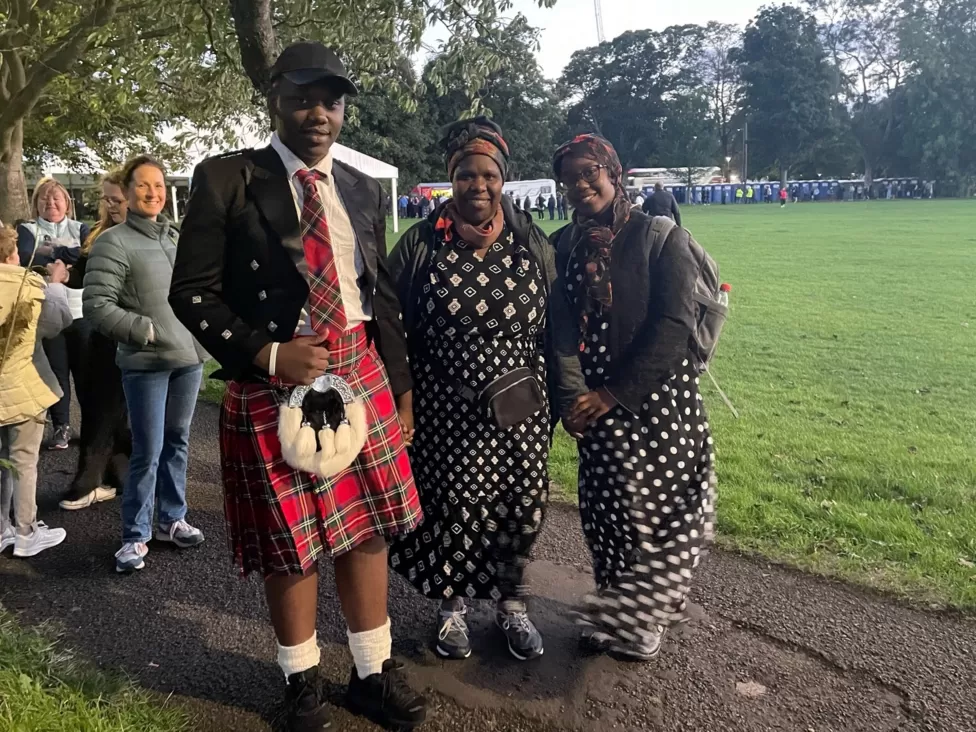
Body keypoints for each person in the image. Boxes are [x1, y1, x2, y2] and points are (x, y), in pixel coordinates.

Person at [169, 42, 426, 732]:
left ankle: (371, 673)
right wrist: (268, 353)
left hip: (360, 369)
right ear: (275, 99)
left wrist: (401, 387)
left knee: (368, 530)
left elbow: (380, 297)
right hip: (276, 377)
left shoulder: (361, 187)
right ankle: (301, 684)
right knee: (292, 540)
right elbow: (190, 292)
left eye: (331, 102)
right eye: (303, 98)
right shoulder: (227, 178)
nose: (319, 114)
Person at [387, 118, 555, 663]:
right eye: (465, 175)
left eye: (488, 175)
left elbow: (557, 324)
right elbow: (390, 326)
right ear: (451, 179)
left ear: (503, 179)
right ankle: (452, 607)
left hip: (520, 409)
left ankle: (512, 604)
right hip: (446, 406)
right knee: (455, 505)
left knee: (522, 506)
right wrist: (403, 400)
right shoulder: (421, 243)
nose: (477, 185)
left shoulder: (530, 241)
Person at [548, 134, 716, 661]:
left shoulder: (660, 237)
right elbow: (558, 327)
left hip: (659, 401)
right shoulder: (563, 246)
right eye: (569, 178)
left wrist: (614, 393)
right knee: (607, 513)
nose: (580, 185)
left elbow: (674, 324)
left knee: (654, 513)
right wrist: (574, 397)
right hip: (594, 403)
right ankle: (615, 607)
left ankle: (643, 622)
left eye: (589, 172)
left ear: (613, 173)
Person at [85, 155, 206, 573]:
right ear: (126, 190)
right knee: (148, 450)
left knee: (178, 441)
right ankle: (135, 535)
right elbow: (97, 305)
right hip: (147, 362)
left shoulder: (174, 237)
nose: (152, 193)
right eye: (142, 185)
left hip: (189, 358)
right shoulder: (113, 242)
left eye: (158, 185)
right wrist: (144, 330)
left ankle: (172, 519)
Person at [59, 172, 132, 511]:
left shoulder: (144, 236)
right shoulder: (99, 233)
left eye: (117, 199)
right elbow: (81, 276)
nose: (110, 205)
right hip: (100, 331)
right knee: (101, 402)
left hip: (129, 332)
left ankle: (93, 477)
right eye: (106, 199)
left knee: (110, 406)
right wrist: (64, 274)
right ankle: (114, 473)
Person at [0, 225, 73, 556]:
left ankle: (2, 528)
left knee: (2, 461)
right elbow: (56, 323)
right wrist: (54, 284)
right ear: (11, 255)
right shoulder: (27, 285)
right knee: (24, 460)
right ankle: (26, 531)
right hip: (23, 388)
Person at [16, 179, 90, 451]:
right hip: (48, 312)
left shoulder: (81, 228)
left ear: (67, 203)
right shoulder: (27, 229)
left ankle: (93, 427)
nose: (51, 203)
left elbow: (86, 256)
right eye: (44, 198)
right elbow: (28, 257)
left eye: (56, 198)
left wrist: (52, 251)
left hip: (81, 312)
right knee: (56, 373)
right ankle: (61, 426)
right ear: (35, 204)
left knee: (86, 373)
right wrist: (65, 258)